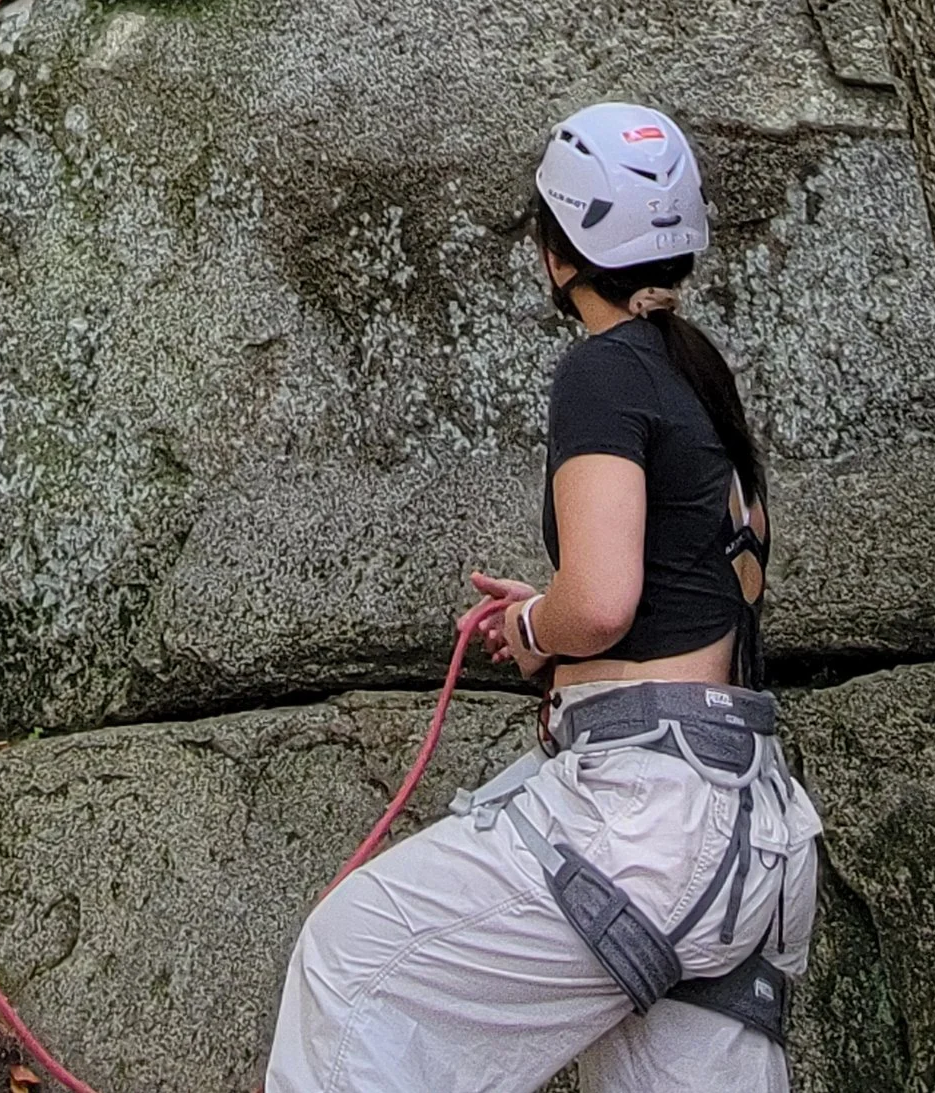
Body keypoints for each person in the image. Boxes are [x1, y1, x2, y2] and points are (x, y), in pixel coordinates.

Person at [265, 103, 822, 1093]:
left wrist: (535, 624)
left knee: (352, 960)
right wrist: (561, 610)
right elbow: (699, 595)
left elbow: (602, 604)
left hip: (646, 828)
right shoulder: (696, 373)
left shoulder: (602, 373)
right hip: (755, 837)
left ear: (556, 252)